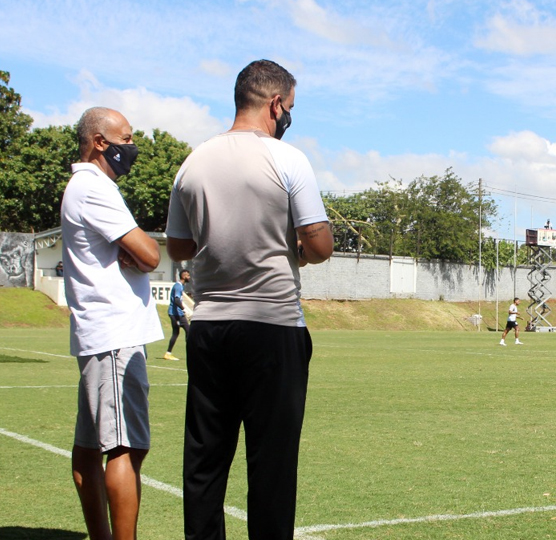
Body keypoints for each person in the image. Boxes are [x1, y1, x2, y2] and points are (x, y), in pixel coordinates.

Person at [165, 59, 334, 540]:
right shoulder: (288, 159)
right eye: (291, 107)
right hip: (273, 326)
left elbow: (178, 247)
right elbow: (319, 245)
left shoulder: (193, 162)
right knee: (272, 466)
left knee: (204, 462)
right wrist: (294, 247)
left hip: (211, 326)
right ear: (276, 103)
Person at [61, 107, 164, 540]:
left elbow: (138, 254)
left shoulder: (79, 185)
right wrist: (138, 254)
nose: (133, 145)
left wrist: (135, 254)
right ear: (100, 141)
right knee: (124, 447)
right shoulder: (95, 188)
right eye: (127, 137)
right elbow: (151, 255)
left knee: (88, 448)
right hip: (115, 336)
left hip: (98, 335)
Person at [164, 269, 191, 361]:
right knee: (188, 331)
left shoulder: (179, 286)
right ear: (183, 276)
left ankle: (168, 353)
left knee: (177, 333)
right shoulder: (178, 286)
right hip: (176, 314)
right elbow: (176, 300)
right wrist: (184, 310)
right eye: (188, 275)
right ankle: (190, 353)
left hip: (177, 313)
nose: (189, 277)